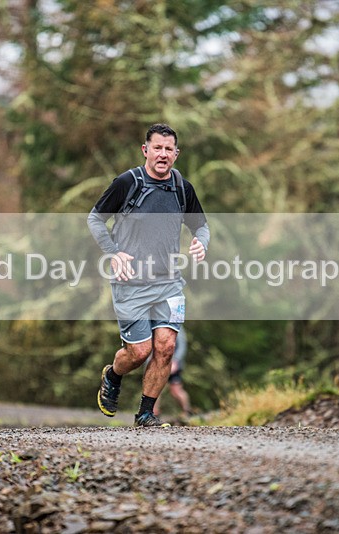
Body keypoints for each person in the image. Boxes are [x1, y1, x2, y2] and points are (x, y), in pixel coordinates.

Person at [87, 123, 210, 427]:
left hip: (169, 282)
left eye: (169, 149)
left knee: (166, 348)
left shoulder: (182, 188)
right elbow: (95, 219)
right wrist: (113, 252)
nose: (163, 154)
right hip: (130, 283)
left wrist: (201, 242)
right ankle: (113, 375)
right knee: (139, 352)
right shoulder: (128, 183)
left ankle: (145, 413)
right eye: (157, 148)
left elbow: (201, 226)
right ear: (145, 150)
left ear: (176, 154)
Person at [153, 328, 193, 420]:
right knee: (154, 389)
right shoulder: (153, 326)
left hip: (173, 364)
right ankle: (154, 413)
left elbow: (182, 346)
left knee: (176, 390)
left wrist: (176, 361)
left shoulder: (176, 326)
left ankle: (187, 411)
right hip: (158, 364)